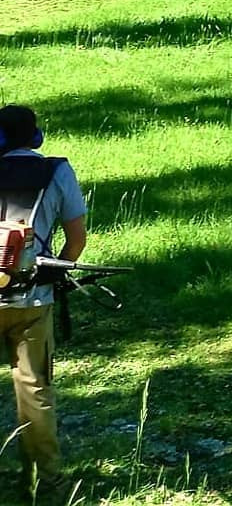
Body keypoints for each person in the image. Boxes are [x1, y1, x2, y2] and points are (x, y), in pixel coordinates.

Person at [0, 105, 86, 499]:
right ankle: (46, 481)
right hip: (34, 298)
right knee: (35, 391)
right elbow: (76, 238)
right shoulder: (57, 171)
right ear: (36, 136)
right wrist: (59, 270)